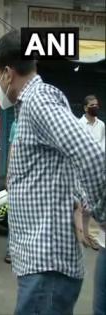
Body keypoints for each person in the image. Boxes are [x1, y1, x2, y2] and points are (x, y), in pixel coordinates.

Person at [0, 30, 105, 315]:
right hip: (39, 263)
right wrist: (78, 201)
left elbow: (92, 155)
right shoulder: (32, 104)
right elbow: (69, 161)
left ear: (7, 73)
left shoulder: (39, 101)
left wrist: (102, 215)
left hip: (47, 265)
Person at [79, 95, 105, 250]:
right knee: (81, 205)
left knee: (93, 206)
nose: (95, 107)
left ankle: (89, 235)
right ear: (85, 108)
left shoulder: (101, 125)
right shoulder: (79, 124)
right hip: (82, 169)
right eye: (92, 105)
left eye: (97, 104)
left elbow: (103, 145)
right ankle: (80, 234)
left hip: (97, 170)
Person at [4, 119, 17, 264]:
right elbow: (11, 149)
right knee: (13, 215)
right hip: (16, 177)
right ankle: (10, 250)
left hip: (34, 179)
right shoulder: (15, 124)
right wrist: (8, 173)